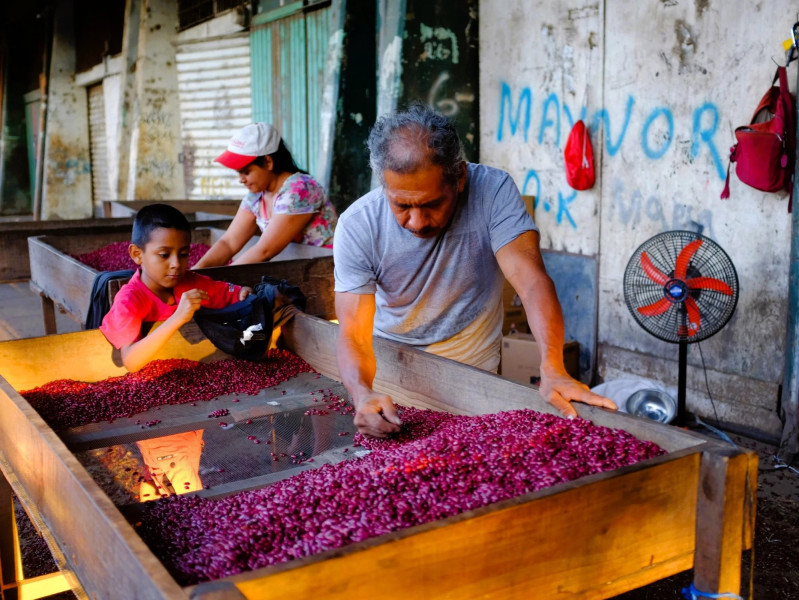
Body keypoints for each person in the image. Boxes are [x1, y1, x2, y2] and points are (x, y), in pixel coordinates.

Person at [333, 104, 617, 438]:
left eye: (431, 204)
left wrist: (553, 366)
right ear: (384, 186)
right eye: (402, 205)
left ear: (460, 177)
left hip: (472, 360)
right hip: (392, 366)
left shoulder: (493, 192)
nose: (418, 222)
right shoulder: (357, 225)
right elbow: (353, 333)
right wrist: (363, 394)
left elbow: (531, 281)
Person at [100, 203, 253, 499]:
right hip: (154, 406)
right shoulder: (130, 300)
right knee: (179, 481)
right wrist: (177, 318)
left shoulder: (189, 282)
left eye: (183, 254)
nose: (176, 264)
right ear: (137, 255)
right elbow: (131, 360)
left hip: (189, 397)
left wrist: (243, 295)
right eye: (164, 254)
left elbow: (225, 291)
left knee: (171, 469)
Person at [192, 123, 337, 268]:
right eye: (239, 173)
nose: (241, 179)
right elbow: (228, 242)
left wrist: (218, 282)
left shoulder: (300, 189)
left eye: (246, 172)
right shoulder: (256, 196)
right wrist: (196, 272)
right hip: (294, 268)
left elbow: (264, 250)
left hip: (326, 268)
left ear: (268, 162)